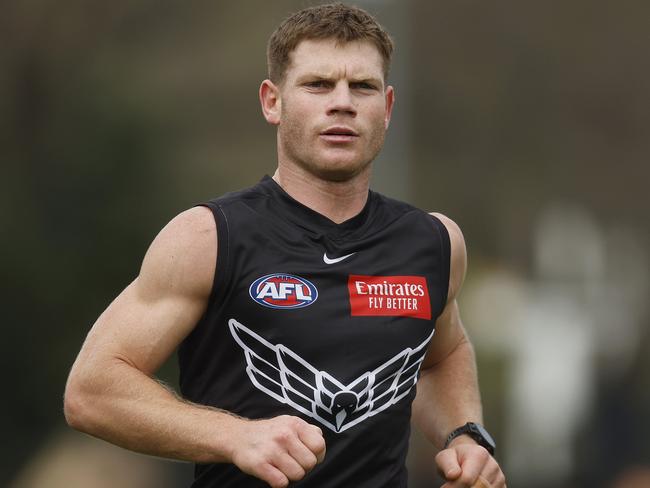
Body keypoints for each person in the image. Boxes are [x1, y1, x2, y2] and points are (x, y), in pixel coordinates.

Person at [64, 3, 506, 487]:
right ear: (272, 101)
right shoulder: (210, 238)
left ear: (388, 107)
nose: (343, 103)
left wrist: (465, 435)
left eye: (363, 86)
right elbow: (92, 391)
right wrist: (234, 436)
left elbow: (441, 356)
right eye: (318, 85)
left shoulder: (434, 243)